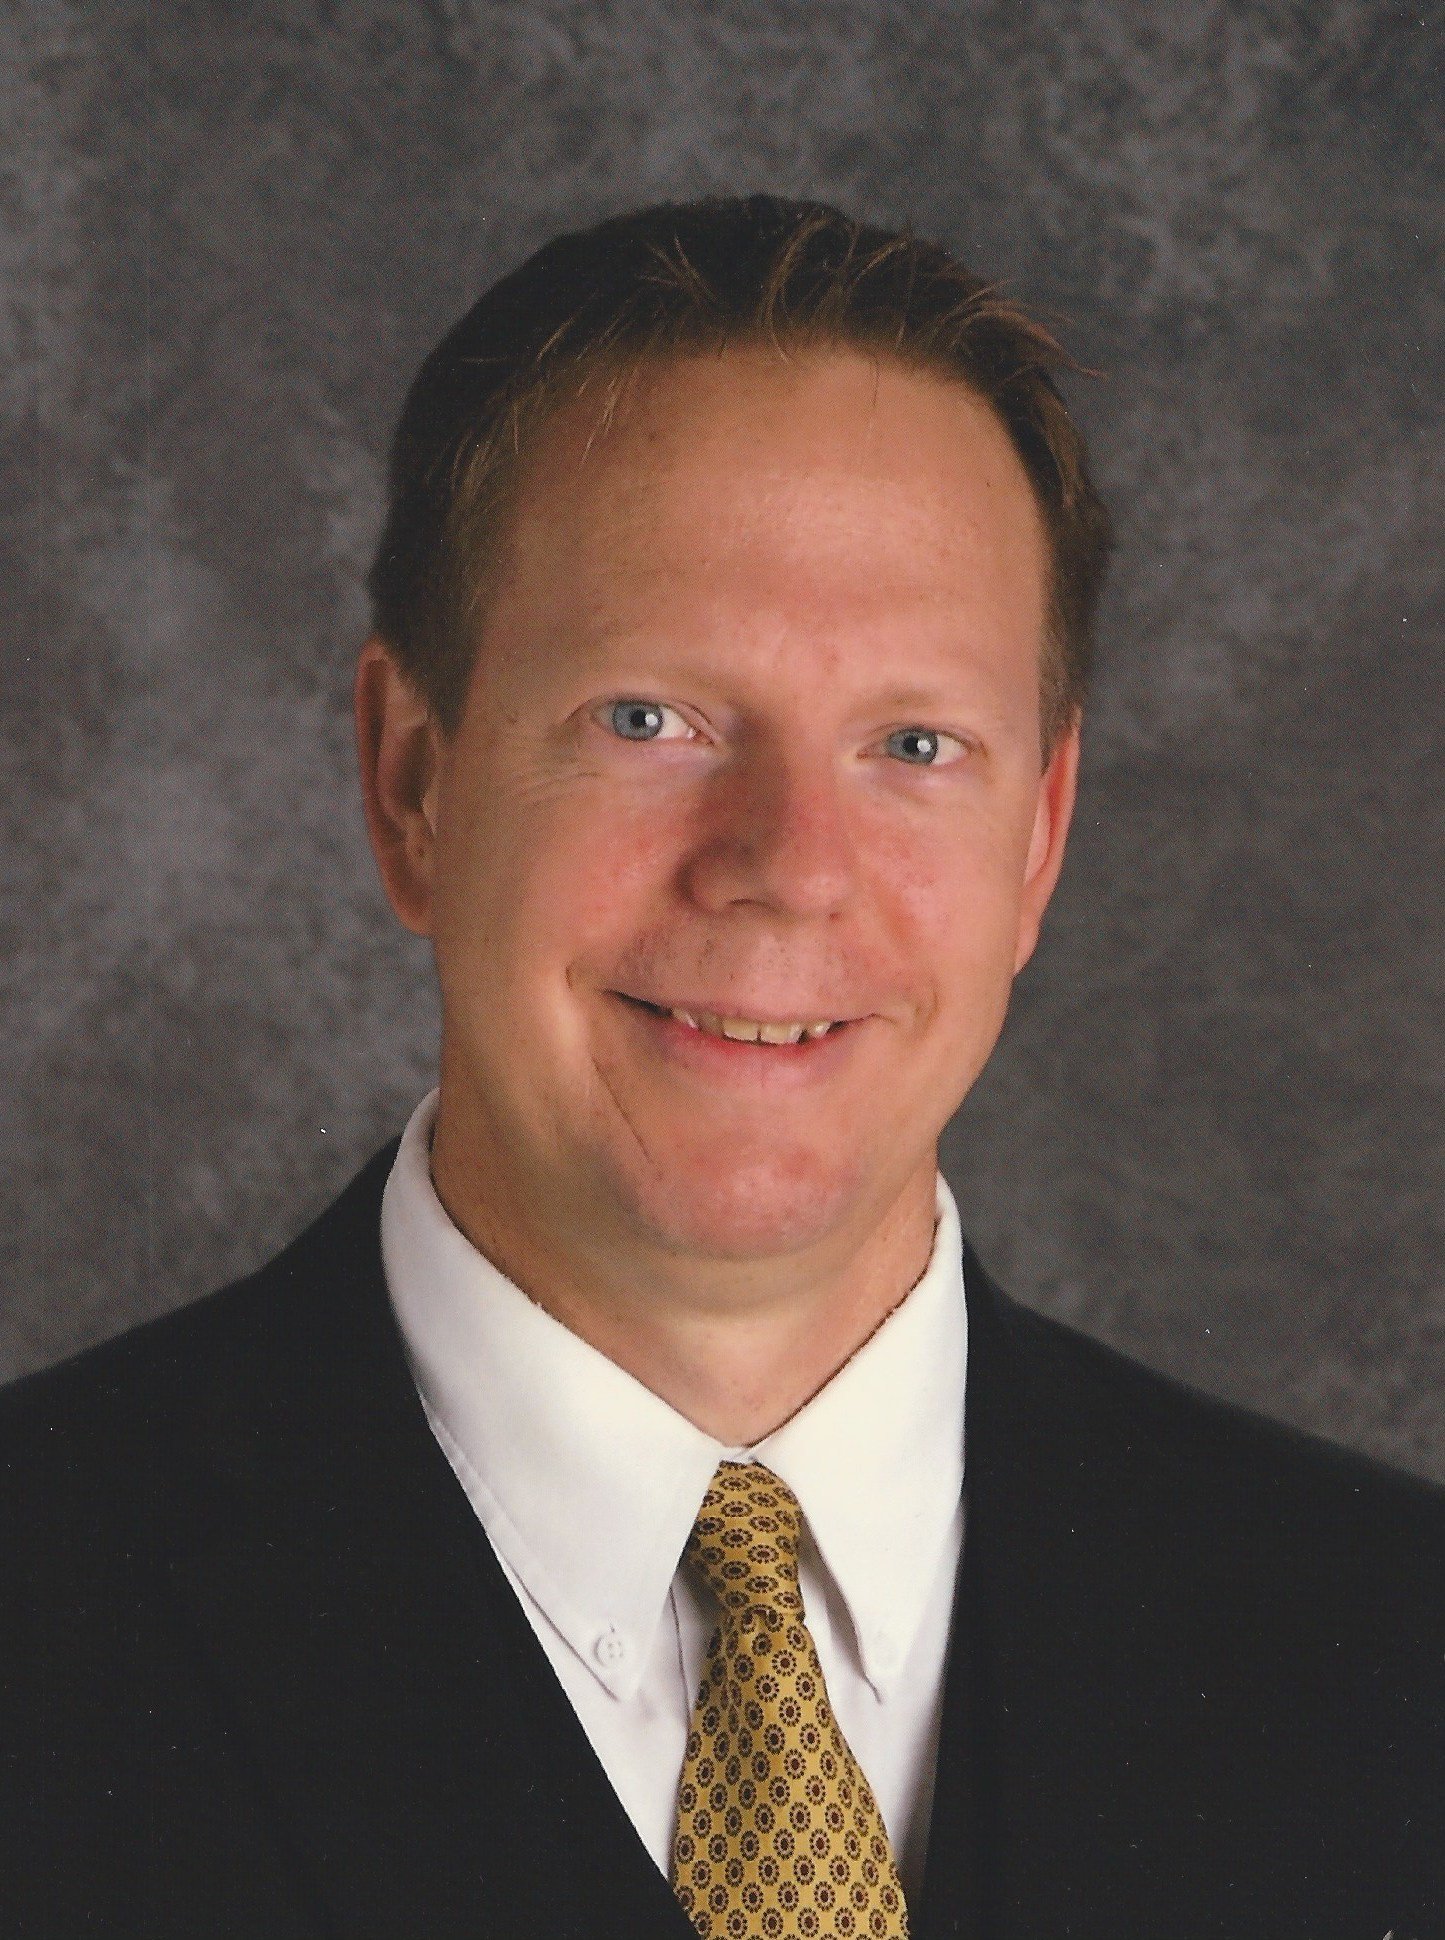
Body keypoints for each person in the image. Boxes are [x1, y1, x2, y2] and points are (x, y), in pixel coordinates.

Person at [2, 195, 1442, 1940]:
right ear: (412, 784)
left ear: (1039, 837)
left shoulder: (1394, 1653)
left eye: (912, 743)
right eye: (648, 719)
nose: (785, 864)